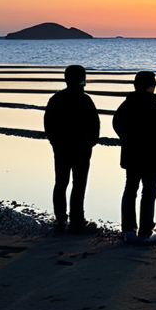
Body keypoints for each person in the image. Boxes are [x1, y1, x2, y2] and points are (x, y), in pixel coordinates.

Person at [113, 71, 156, 244]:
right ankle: (145, 230)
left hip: (132, 155)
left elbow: (117, 123)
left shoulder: (127, 104)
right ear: (152, 86)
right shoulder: (154, 105)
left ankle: (128, 229)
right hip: (152, 156)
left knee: (130, 190)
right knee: (148, 193)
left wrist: (126, 138)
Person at [44, 65, 100, 234]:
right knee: (79, 183)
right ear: (82, 79)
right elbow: (95, 124)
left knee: (61, 182)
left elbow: (48, 124)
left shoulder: (57, 99)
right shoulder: (85, 100)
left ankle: (61, 218)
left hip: (62, 147)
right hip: (81, 147)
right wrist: (91, 142)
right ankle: (77, 219)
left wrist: (54, 142)